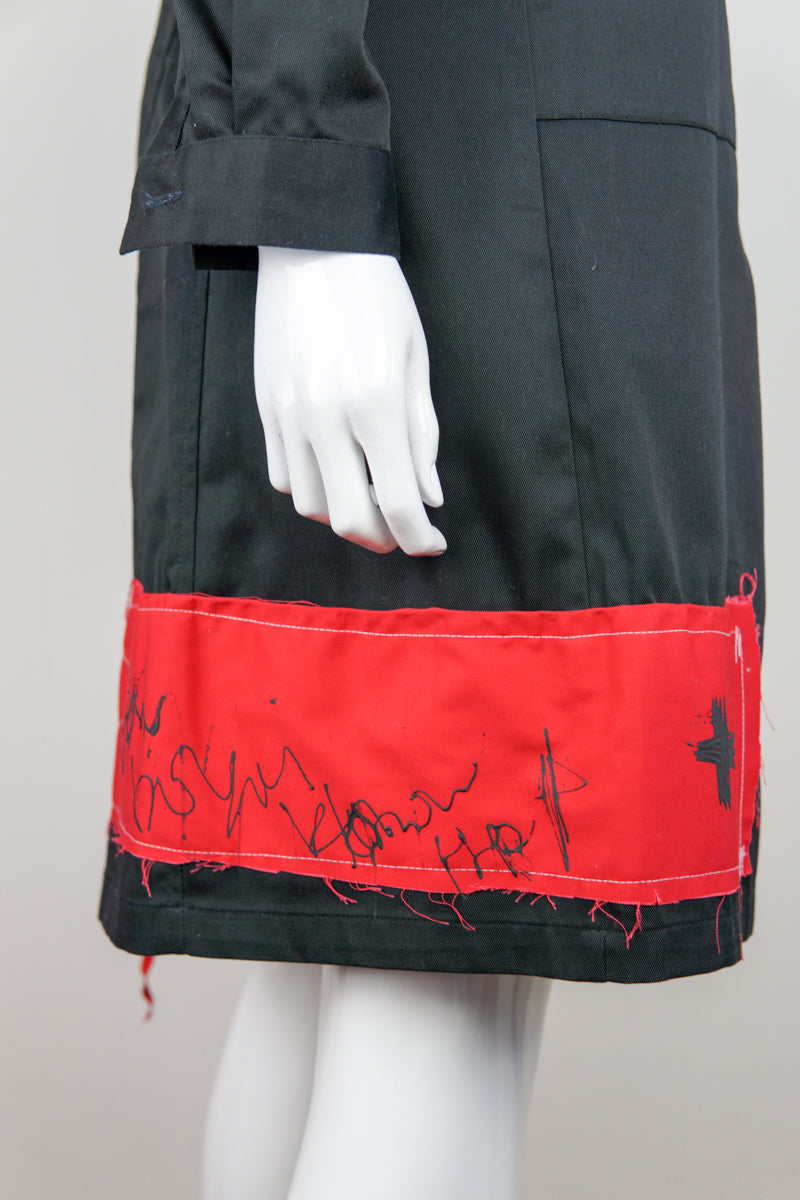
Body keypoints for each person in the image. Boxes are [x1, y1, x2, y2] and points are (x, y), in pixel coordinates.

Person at [99, 3, 764, 1197]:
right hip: (449, 170)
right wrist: (309, 194)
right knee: (430, 966)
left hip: (502, 153)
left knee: (342, 959)